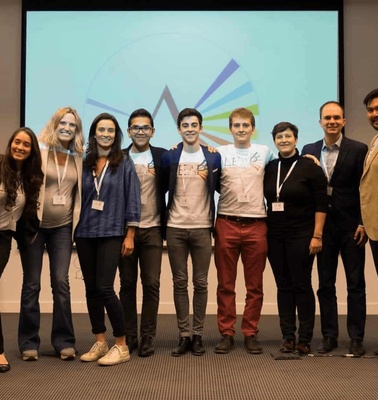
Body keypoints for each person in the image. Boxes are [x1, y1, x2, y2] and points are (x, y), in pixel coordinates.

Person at [18, 107, 84, 361]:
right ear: (54, 125)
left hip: (63, 228)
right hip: (35, 227)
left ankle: (64, 341)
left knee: (61, 283)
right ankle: (28, 342)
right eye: (63, 123)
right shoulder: (40, 153)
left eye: (72, 125)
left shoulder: (77, 158)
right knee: (32, 284)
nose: (67, 128)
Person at [302, 101, 368, 356]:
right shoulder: (308, 150)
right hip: (322, 228)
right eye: (327, 117)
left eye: (336, 117)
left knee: (356, 284)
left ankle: (356, 338)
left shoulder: (358, 149)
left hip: (352, 228)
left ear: (344, 121)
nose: (331, 121)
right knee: (325, 284)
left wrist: (363, 221)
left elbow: (365, 189)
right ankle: (329, 336)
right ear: (320, 121)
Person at [75, 112, 140, 366]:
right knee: (90, 289)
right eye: (101, 130)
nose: (105, 134)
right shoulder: (83, 162)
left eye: (110, 131)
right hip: (84, 233)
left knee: (105, 288)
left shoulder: (124, 161)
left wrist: (130, 233)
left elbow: (133, 198)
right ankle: (100, 341)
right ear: (94, 134)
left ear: (116, 135)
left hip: (113, 232)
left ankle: (121, 344)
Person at [214, 107, 275, 355]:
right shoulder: (219, 153)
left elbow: (286, 165)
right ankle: (226, 333)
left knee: (255, 285)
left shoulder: (264, 152)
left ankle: (250, 332)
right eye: (236, 126)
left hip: (257, 224)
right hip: (226, 222)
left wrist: (309, 158)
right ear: (230, 129)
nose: (241, 129)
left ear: (252, 128)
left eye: (245, 125)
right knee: (225, 284)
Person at [161, 108, 221, 357]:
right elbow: (159, 189)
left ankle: (198, 335)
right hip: (175, 227)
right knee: (179, 282)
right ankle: (183, 335)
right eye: (185, 125)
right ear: (179, 129)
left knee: (201, 282)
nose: (190, 129)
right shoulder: (170, 157)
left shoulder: (213, 157)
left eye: (194, 124)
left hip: (202, 228)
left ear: (201, 127)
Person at [264, 121, 328, 354]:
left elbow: (322, 204)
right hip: (275, 236)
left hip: (302, 235)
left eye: (288, 136)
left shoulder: (309, 166)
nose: (283, 140)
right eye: (279, 137)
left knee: (302, 284)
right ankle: (288, 336)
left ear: (296, 139)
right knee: (283, 286)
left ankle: (305, 338)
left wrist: (317, 235)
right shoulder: (270, 167)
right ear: (274, 141)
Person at [119, 108, 167, 357]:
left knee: (151, 284)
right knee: (127, 284)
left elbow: (183, 166)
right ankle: (130, 337)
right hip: (125, 231)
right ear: (129, 131)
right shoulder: (119, 157)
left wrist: (210, 150)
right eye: (136, 128)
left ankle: (148, 337)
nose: (140, 131)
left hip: (153, 229)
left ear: (152, 131)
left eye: (145, 127)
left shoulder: (161, 157)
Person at [0, 128, 43, 373]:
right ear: (10, 143)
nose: (20, 147)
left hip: (5, 234)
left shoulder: (28, 176)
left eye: (26, 145)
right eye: (17, 142)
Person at [360, 89, 378, 274]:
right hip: (374, 226)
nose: (374, 114)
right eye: (370, 110)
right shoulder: (375, 139)